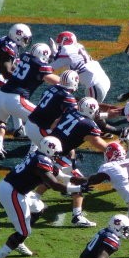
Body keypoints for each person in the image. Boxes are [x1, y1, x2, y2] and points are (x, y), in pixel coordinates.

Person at [0, 136, 92, 258]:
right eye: (57, 153)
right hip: (12, 192)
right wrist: (78, 188)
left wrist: (84, 180)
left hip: (17, 190)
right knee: (24, 231)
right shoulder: (41, 161)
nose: (58, 155)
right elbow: (54, 185)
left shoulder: (39, 155)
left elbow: (60, 175)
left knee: (39, 208)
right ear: (50, 150)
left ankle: (19, 241)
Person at [43, 97, 109, 227]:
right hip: (59, 156)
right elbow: (99, 144)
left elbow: (54, 125)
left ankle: (33, 198)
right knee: (78, 183)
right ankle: (77, 217)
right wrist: (116, 147)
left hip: (49, 149)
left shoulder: (71, 111)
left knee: (48, 177)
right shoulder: (88, 125)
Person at [0, 42, 60, 159]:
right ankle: (32, 152)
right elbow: (53, 79)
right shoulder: (40, 66)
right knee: (41, 120)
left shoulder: (25, 57)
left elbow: (34, 66)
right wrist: (67, 79)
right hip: (16, 99)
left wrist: (52, 57)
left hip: (1, 95)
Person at [49, 31, 119, 137]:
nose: (59, 45)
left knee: (85, 112)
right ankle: (110, 122)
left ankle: (114, 127)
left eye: (60, 43)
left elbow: (50, 68)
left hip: (95, 84)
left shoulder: (67, 51)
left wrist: (51, 56)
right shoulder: (77, 47)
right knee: (91, 109)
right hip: (100, 80)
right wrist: (55, 55)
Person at [24, 69, 79, 151]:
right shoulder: (68, 97)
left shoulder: (51, 87)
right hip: (40, 131)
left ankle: (33, 149)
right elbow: (74, 116)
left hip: (29, 124)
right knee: (67, 146)